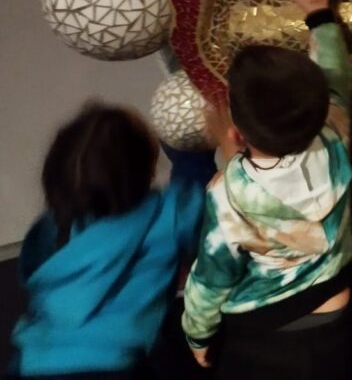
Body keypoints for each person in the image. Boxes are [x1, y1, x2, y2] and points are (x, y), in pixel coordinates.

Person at [181, 0, 352, 379]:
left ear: (237, 133)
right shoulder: (335, 131)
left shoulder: (228, 194)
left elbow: (212, 275)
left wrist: (197, 334)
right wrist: (319, 13)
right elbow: (336, 73)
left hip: (264, 332)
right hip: (337, 308)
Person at [7, 104, 215, 379]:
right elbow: (206, 196)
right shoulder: (171, 210)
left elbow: (32, 279)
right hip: (115, 366)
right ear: (147, 166)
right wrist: (191, 142)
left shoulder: (52, 226)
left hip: (34, 362)